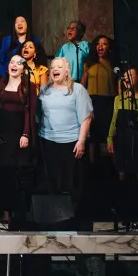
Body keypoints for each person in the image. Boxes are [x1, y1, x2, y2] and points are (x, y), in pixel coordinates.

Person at [38, 58, 93, 198]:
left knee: (71, 183)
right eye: (53, 67)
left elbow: (86, 117)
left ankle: (73, 215)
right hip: (48, 141)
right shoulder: (44, 89)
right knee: (52, 181)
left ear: (67, 71)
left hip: (72, 142)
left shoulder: (78, 89)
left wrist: (81, 141)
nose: (55, 69)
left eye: (59, 67)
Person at [0, 55, 35, 167]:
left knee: (18, 166)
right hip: (1, 133)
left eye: (18, 63)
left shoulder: (28, 86)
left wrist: (26, 134)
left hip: (19, 132)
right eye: (12, 62)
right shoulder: (0, 84)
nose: (14, 65)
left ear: (23, 68)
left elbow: (30, 111)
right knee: (2, 166)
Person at [107, 68, 138, 182]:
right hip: (122, 138)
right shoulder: (118, 99)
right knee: (122, 171)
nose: (126, 77)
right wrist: (110, 139)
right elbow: (114, 120)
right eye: (125, 75)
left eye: (131, 75)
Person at [82, 35, 116, 163]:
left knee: (110, 135)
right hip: (91, 101)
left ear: (109, 48)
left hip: (108, 102)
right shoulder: (88, 64)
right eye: (98, 44)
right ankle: (93, 167)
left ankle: (115, 170)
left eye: (104, 44)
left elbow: (118, 86)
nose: (100, 46)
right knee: (93, 138)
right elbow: (82, 84)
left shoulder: (113, 65)